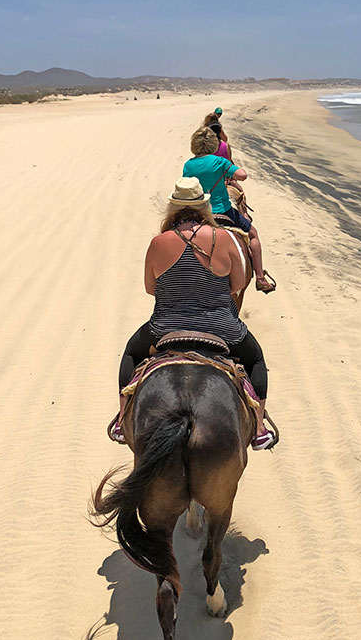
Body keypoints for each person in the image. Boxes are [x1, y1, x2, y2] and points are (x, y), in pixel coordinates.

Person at [112, 177, 275, 449]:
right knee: (256, 358)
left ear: (173, 209)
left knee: (131, 352)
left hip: (165, 326)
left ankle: (121, 421)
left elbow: (150, 289)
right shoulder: (223, 238)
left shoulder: (159, 242)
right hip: (223, 327)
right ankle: (258, 428)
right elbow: (237, 284)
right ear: (204, 207)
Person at [183, 127, 276, 294]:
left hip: (197, 212)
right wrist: (228, 170)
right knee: (253, 234)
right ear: (213, 145)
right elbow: (242, 175)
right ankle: (261, 278)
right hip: (222, 211)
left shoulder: (188, 165)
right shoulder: (219, 162)